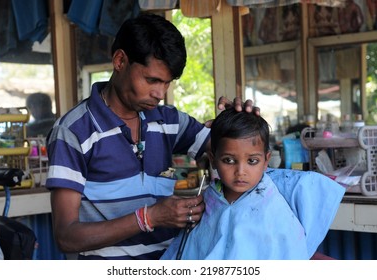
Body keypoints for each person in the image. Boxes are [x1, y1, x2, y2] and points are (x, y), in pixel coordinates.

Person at [45, 13, 258, 260]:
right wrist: (149, 217)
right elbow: (66, 236)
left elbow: (228, 153)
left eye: (167, 83)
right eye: (152, 80)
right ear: (120, 61)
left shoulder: (169, 121)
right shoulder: (72, 132)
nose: (160, 93)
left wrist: (241, 125)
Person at [161, 109, 345, 259]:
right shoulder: (209, 201)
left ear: (266, 161)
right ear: (213, 159)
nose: (241, 171)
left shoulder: (273, 209)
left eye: (252, 161)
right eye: (229, 160)